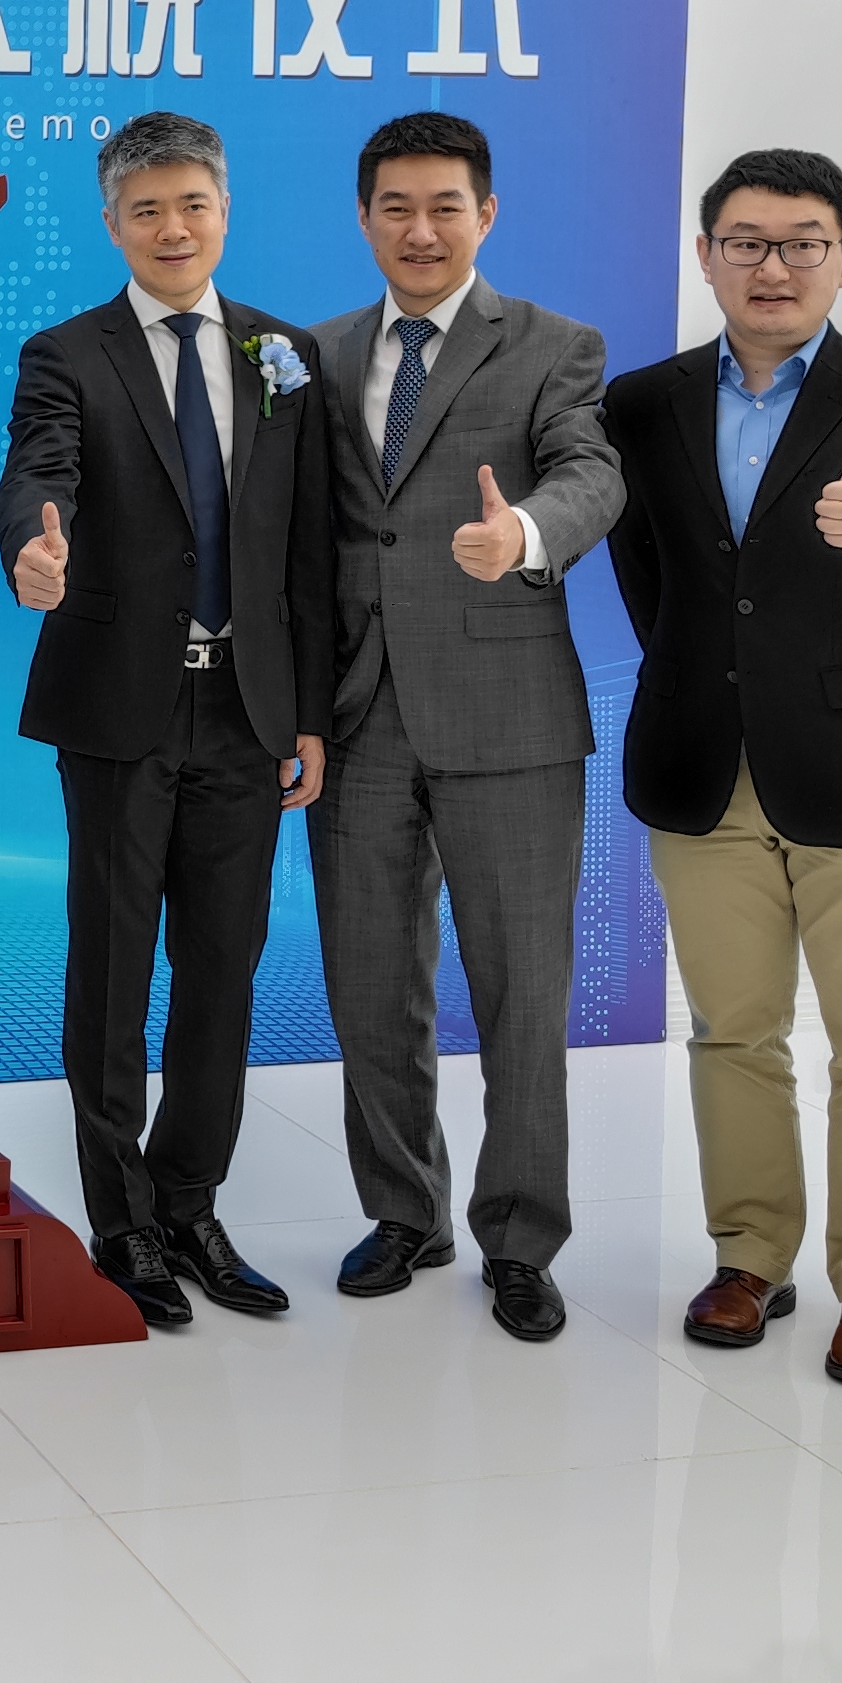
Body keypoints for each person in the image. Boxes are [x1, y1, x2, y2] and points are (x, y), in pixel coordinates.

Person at [604, 148, 842, 1391]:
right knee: (732, 1032)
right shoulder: (643, 403)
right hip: (700, 762)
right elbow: (653, 581)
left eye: (803, 243)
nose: (774, 266)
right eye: (747, 242)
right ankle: (750, 1258)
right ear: (706, 256)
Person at [0, 111, 338, 1331]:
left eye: (193, 204)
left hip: (247, 706)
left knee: (223, 971)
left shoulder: (284, 353)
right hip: (119, 705)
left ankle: (192, 1204)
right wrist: (34, 550)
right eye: (147, 210)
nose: (173, 228)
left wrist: (305, 713)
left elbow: (305, 543)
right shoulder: (66, 353)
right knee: (113, 966)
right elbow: (40, 471)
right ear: (113, 224)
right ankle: (122, 1219)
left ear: (224, 211)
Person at [307, 111, 627, 1341]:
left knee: (521, 993)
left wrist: (526, 533)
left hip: (509, 713)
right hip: (356, 715)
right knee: (369, 987)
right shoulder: (315, 355)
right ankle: (406, 1212)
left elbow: (590, 471)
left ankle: (522, 1241)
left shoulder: (553, 344)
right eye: (396, 206)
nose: (421, 229)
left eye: (446, 206)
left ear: (485, 214)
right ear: (362, 218)